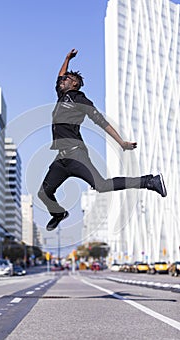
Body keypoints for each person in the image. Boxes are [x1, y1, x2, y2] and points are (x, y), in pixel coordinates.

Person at [38, 49, 167, 231]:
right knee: (44, 193)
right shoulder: (62, 96)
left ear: (74, 84)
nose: (62, 80)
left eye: (66, 79)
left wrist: (121, 142)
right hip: (61, 159)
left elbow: (101, 121)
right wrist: (66, 58)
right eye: (62, 78)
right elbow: (59, 76)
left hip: (76, 155)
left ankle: (149, 181)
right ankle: (59, 214)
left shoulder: (80, 100)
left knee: (102, 185)